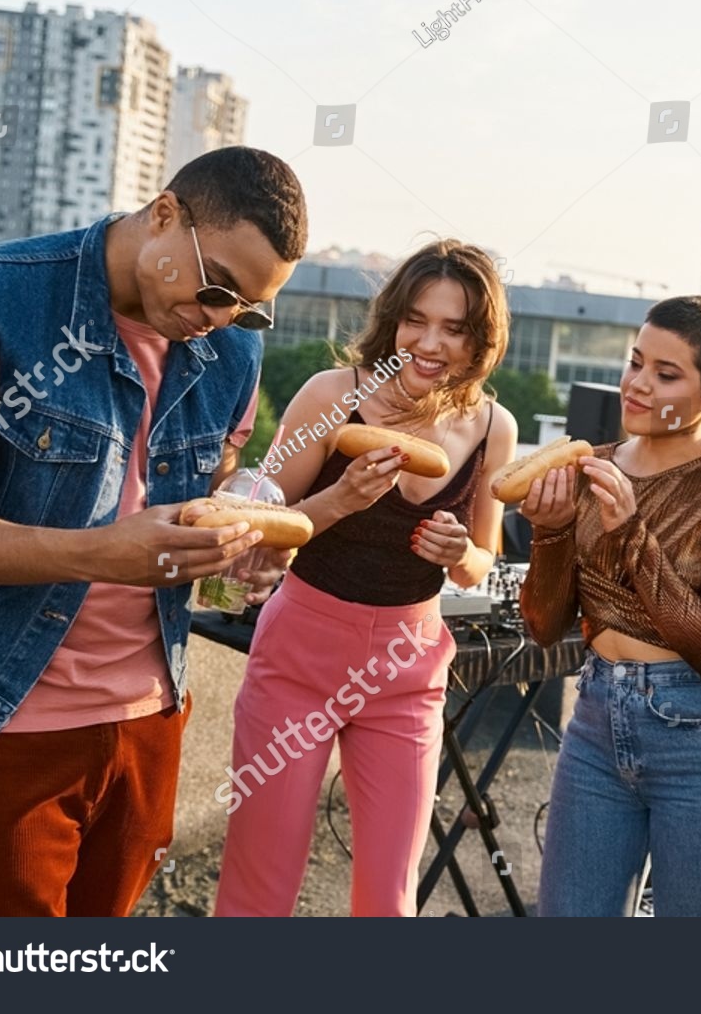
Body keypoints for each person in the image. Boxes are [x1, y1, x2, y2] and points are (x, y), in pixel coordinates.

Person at [0, 146, 307, 915]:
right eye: (218, 287)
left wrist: (241, 535)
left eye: (250, 306)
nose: (223, 318)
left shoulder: (233, 346)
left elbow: (207, 488)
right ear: (164, 213)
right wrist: (103, 554)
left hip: (148, 723)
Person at [214, 238, 517, 917]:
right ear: (392, 320)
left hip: (408, 670)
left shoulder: (496, 426)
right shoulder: (331, 397)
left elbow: (484, 560)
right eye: (416, 319)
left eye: (455, 328)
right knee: (260, 886)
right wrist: (339, 501)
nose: (429, 342)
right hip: (301, 654)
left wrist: (459, 550)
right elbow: (265, 520)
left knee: (388, 898)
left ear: (482, 342)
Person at [520, 295, 701, 916]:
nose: (637, 384)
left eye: (666, 375)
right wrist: (552, 531)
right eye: (635, 362)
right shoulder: (594, 466)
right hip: (594, 724)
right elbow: (545, 627)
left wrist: (631, 535)